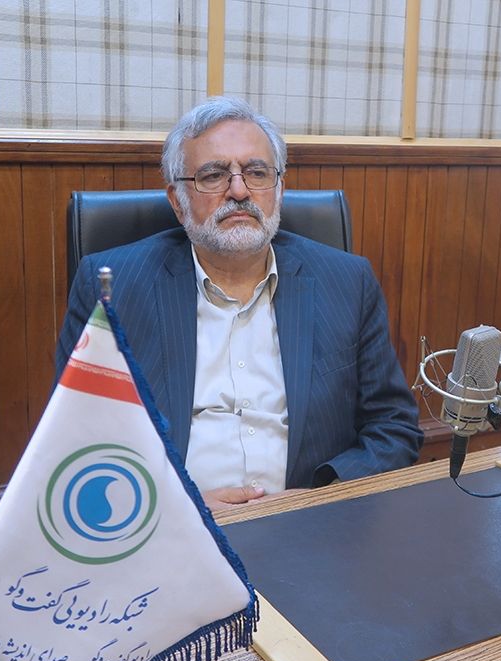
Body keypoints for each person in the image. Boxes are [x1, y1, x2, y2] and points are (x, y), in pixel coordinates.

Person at [57, 96, 422, 509]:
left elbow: (393, 428)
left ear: (279, 190)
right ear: (177, 201)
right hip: (175, 529)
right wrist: (179, 508)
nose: (239, 190)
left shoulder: (347, 281)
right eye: (213, 175)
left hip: (314, 524)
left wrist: (320, 499)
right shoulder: (112, 287)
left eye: (257, 172)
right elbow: (76, 439)